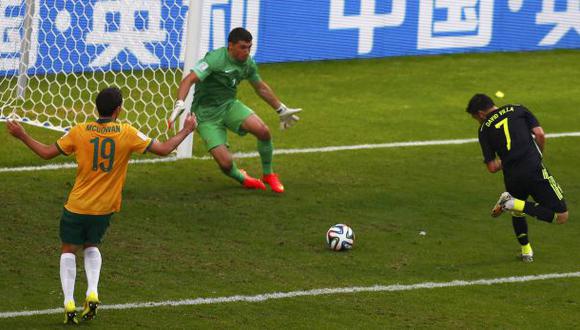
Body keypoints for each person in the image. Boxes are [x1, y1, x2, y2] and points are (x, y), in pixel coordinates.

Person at [6, 87, 197, 324]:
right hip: (104, 209)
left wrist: (22, 135)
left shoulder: (80, 131)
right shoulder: (127, 133)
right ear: (119, 110)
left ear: (97, 108)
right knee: (91, 245)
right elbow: (165, 149)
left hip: (76, 206)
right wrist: (187, 129)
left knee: (68, 250)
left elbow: (46, 153)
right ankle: (92, 291)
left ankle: (68, 302)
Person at [168, 27, 301, 193]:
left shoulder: (248, 64)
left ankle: (269, 174)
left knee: (263, 131)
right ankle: (242, 177)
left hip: (229, 105)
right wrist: (180, 102)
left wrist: (280, 109)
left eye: (249, 47)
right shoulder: (215, 60)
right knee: (226, 164)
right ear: (231, 46)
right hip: (205, 115)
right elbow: (189, 80)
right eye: (243, 47)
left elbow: (260, 88)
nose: (247, 52)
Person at [466, 93, 568, 262]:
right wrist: (538, 154)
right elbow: (540, 134)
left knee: (518, 212)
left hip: (512, 175)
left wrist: (507, 159)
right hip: (534, 169)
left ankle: (526, 250)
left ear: (481, 114)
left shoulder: (483, 130)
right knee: (561, 216)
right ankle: (511, 202)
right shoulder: (518, 109)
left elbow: (492, 167)